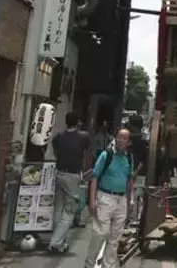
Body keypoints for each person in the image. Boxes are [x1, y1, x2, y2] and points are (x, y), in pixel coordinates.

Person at [85, 128, 134, 268]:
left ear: (129, 142)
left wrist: (131, 199)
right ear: (115, 139)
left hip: (121, 199)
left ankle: (109, 265)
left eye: (124, 138)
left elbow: (130, 179)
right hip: (105, 197)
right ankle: (89, 264)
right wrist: (92, 200)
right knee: (100, 233)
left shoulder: (129, 158)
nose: (121, 140)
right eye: (119, 137)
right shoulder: (106, 155)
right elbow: (94, 177)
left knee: (115, 236)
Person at [48, 111, 92, 254]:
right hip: (73, 176)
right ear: (78, 122)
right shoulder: (83, 137)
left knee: (58, 208)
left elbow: (55, 153)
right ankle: (55, 242)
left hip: (59, 173)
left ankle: (60, 242)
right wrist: (85, 172)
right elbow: (87, 155)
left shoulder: (58, 137)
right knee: (70, 210)